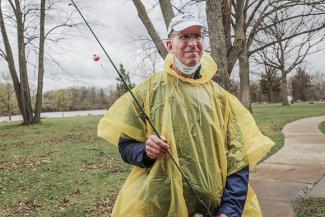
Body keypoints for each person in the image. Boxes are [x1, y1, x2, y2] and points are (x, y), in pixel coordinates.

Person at [98, 13, 274, 217]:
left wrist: (230, 210)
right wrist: (145, 151)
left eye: (197, 36)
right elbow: (126, 146)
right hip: (158, 207)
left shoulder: (221, 98)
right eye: (184, 37)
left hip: (212, 210)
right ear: (169, 46)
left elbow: (238, 158)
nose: (193, 43)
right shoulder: (147, 91)